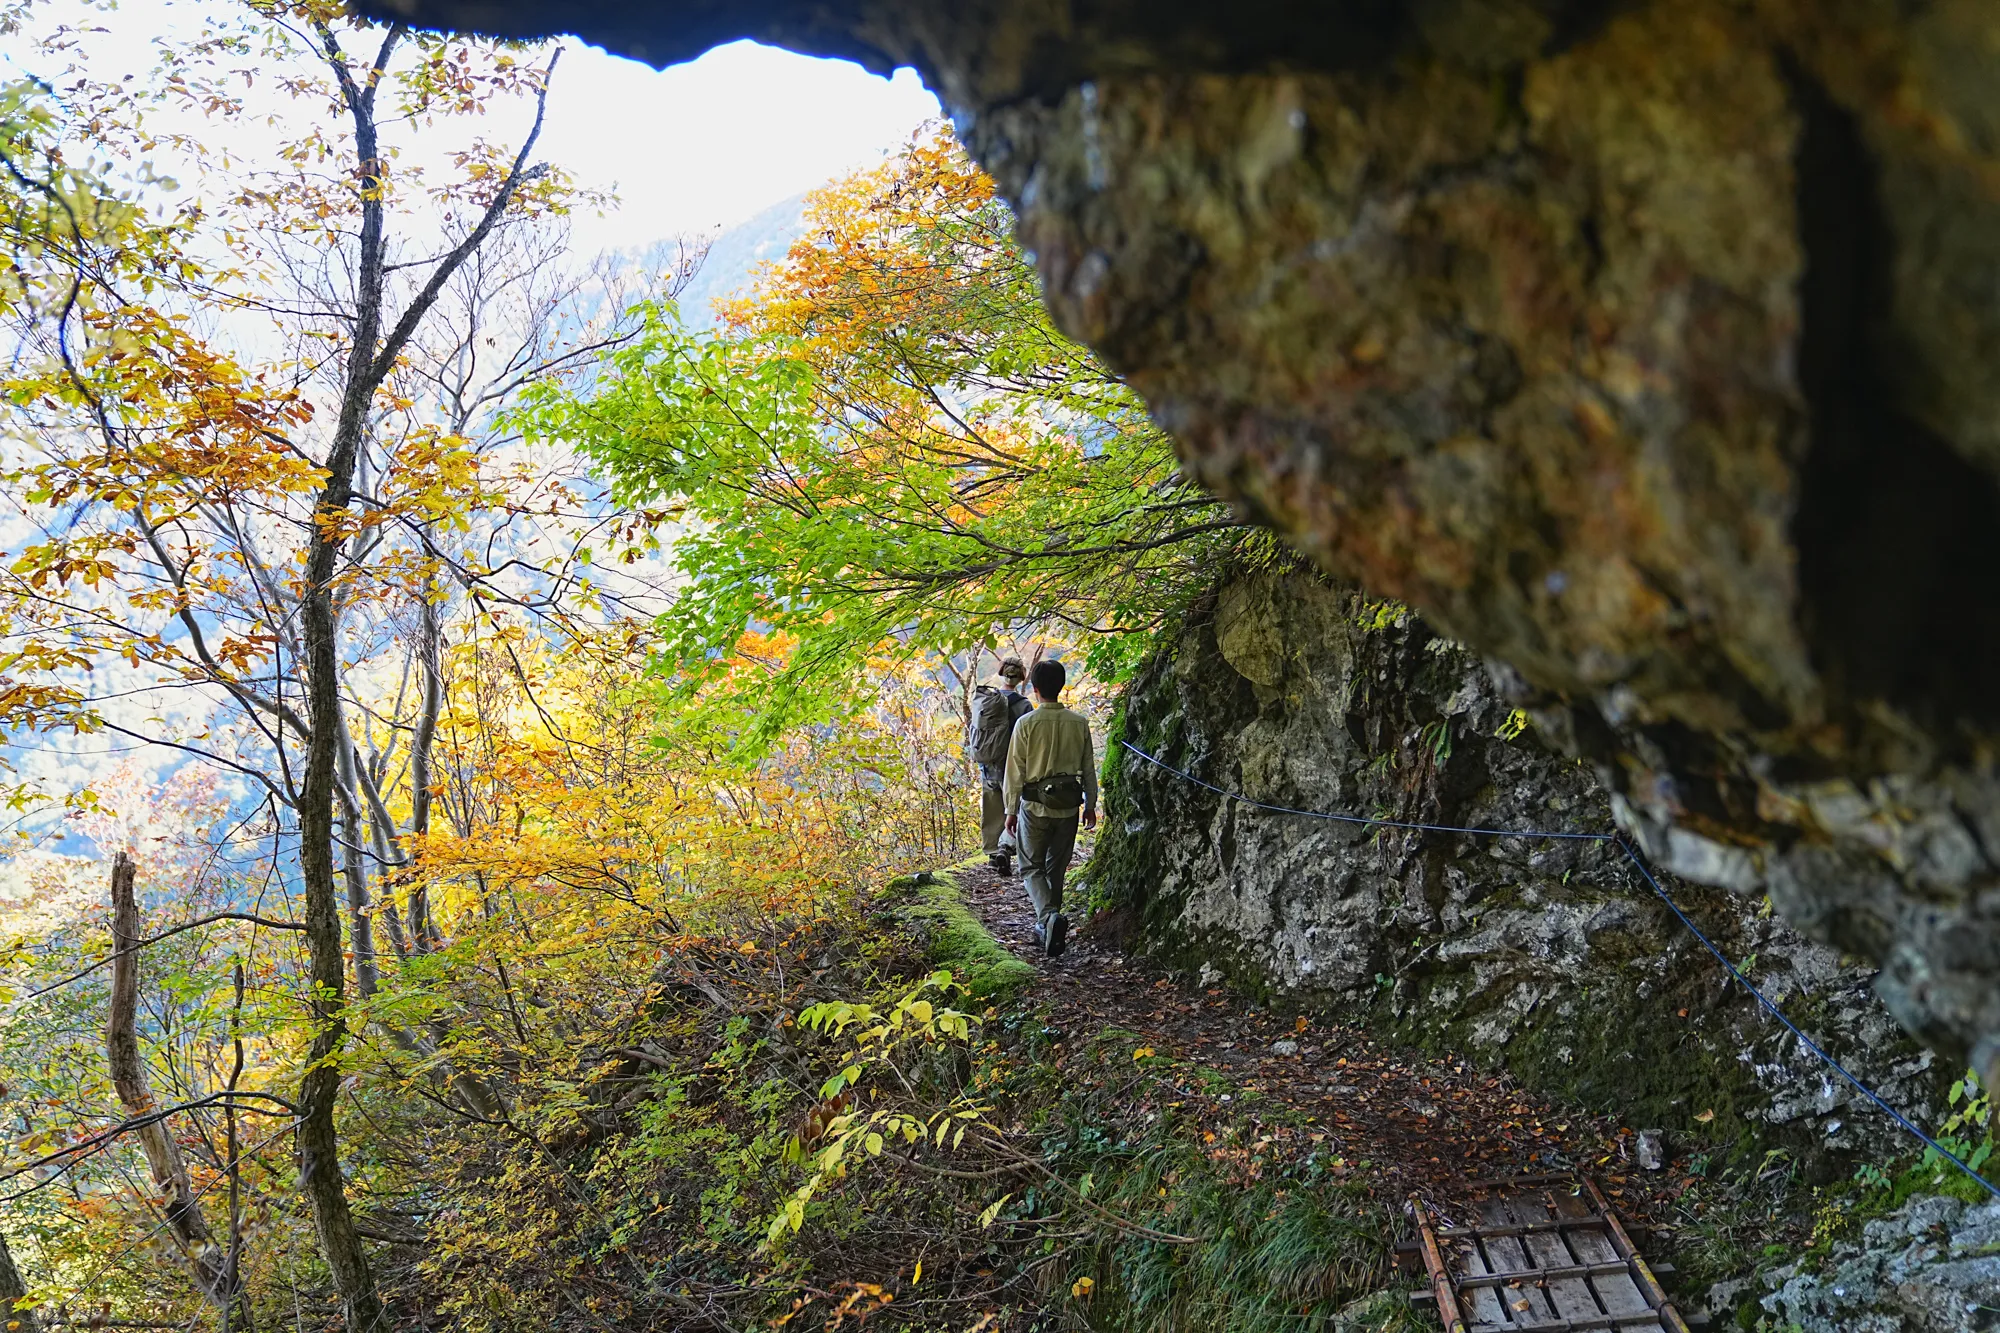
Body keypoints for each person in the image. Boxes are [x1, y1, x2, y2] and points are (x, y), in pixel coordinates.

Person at [1003, 658, 1097, 958]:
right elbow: (1088, 769)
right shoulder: (1079, 723)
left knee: (1030, 866)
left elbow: (1014, 770)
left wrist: (1010, 809)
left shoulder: (1026, 723)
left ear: (1035, 688)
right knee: (1056, 868)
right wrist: (1091, 805)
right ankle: (1049, 926)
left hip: (1034, 807)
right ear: (1061, 686)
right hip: (1069, 808)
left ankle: (1047, 918)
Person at [970, 657, 1033, 874]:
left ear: (1002, 673)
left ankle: (991, 853)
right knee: (1012, 810)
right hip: (1012, 769)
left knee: (991, 810)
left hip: (988, 766)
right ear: (1021, 676)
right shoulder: (1024, 705)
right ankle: (1006, 847)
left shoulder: (986, 701)